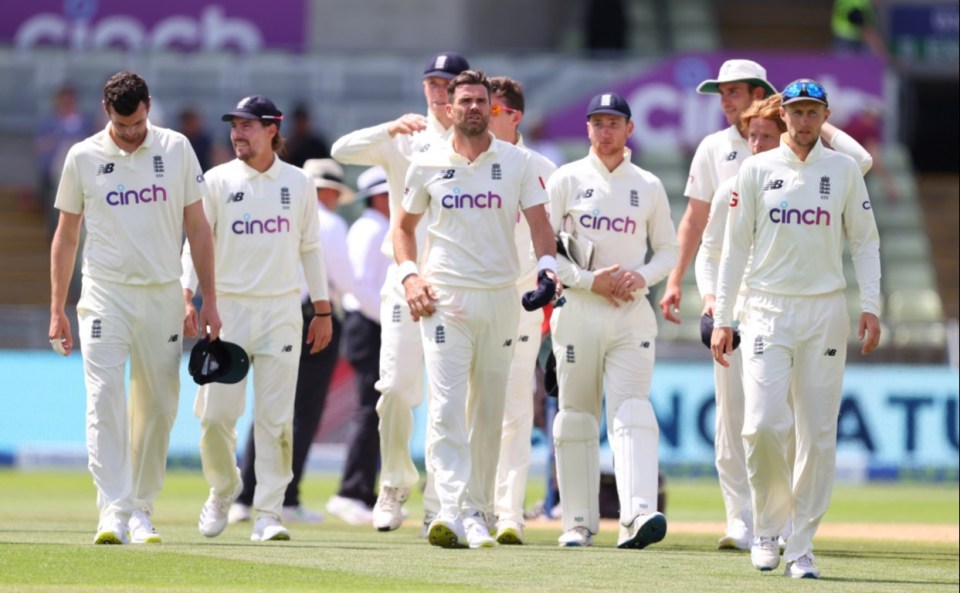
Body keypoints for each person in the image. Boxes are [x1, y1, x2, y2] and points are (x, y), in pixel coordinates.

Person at [711, 79, 881, 579]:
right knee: (761, 424)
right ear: (782, 114)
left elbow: (865, 242)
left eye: (813, 113)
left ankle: (802, 543)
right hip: (766, 309)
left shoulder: (844, 169)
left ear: (824, 115)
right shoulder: (757, 170)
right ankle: (767, 528)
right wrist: (724, 317)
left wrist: (870, 305)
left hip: (825, 310)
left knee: (818, 434)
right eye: (797, 112)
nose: (804, 121)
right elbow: (733, 250)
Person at [48, 71, 221, 545]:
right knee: (104, 400)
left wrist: (207, 298)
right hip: (105, 295)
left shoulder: (176, 148)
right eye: (123, 126)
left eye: (138, 123)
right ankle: (115, 510)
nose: (130, 135)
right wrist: (56, 307)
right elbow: (66, 237)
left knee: (160, 406)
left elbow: (199, 229)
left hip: (163, 293)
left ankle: (142, 508)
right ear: (108, 113)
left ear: (148, 107)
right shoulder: (82, 156)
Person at [396, 70, 560, 549]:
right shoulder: (425, 163)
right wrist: (410, 275)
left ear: (492, 108)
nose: (471, 108)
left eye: (479, 101)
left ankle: (477, 510)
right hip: (446, 297)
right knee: (446, 407)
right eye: (463, 100)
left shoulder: (518, 162)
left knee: (489, 411)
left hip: (500, 296)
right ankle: (448, 510)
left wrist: (548, 266)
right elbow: (403, 229)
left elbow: (539, 224)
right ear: (448, 108)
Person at [181, 95, 333, 543]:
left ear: (272, 130)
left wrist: (322, 309)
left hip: (282, 311)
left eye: (248, 126)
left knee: (275, 420)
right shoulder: (217, 180)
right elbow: (196, 243)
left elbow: (310, 248)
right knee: (215, 419)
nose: (237, 134)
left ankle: (269, 512)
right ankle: (223, 490)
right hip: (227, 312)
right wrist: (186, 294)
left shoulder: (299, 182)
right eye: (234, 126)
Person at [330, 51, 471, 533]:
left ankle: (441, 497)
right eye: (431, 82)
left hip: (456, 282)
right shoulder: (404, 139)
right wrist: (388, 129)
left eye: (446, 83)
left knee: (448, 398)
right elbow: (342, 150)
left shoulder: (475, 141)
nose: (437, 90)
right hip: (404, 278)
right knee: (392, 389)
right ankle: (392, 484)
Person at [547, 92, 678, 549]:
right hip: (579, 311)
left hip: (630, 313)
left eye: (613, 123)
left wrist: (637, 279)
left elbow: (669, 250)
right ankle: (578, 523)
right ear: (587, 129)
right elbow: (542, 253)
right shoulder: (565, 179)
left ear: (629, 130)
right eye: (597, 123)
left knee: (632, 410)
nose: (605, 131)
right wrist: (587, 281)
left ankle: (637, 514)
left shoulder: (648, 184)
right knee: (577, 417)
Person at [658, 59, 776, 550]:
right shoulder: (713, 148)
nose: (726, 102)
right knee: (730, 416)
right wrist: (679, 281)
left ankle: (779, 518)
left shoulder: (794, 145)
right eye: (721, 94)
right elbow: (698, 225)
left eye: (734, 93)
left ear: (759, 93)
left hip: (778, 298)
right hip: (729, 299)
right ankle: (739, 520)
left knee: (773, 417)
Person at [228, 158, 355, 525]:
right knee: (303, 413)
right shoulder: (328, 224)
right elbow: (345, 281)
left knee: (267, 410)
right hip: (314, 316)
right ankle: (285, 496)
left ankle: (245, 496)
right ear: (329, 191)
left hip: (272, 313)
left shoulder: (278, 213)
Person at [485, 75, 558, 545]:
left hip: (522, 304)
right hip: (470, 299)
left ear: (514, 116)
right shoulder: (462, 161)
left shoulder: (543, 168)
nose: (478, 117)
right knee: (468, 407)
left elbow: (556, 239)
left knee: (513, 408)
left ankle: (508, 511)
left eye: (490, 111)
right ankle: (462, 505)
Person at [325, 166, 393, 525]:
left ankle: (364, 491)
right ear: (381, 196)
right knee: (370, 409)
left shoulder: (373, 227)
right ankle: (352, 491)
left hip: (368, 323)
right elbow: (360, 287)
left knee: (375, 409)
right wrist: (392, 320)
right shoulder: (371, 229)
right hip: (368, 325)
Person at [35, 84, 94, 235]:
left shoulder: (84, 121)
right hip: (56, 173)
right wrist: (59, 136)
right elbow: (40, 145)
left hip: (81, 173)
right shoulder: (50, 122)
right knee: (57, 208)